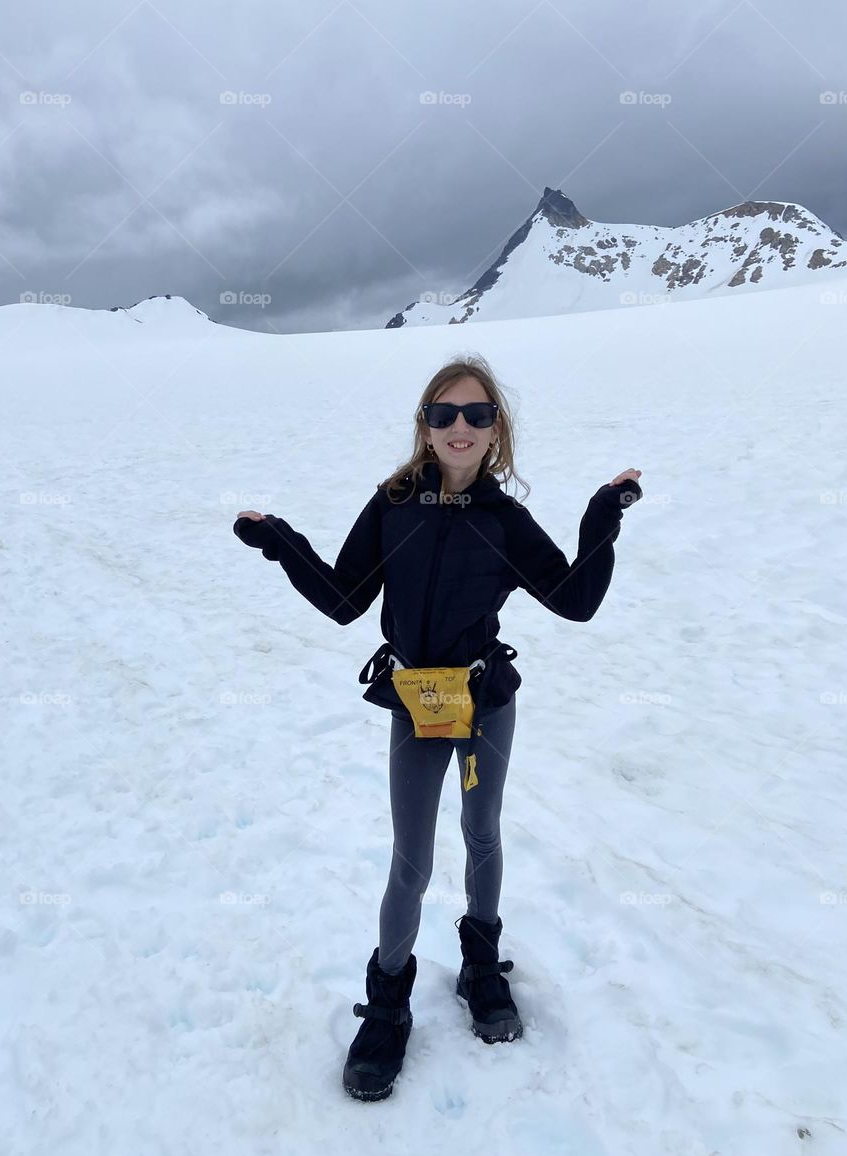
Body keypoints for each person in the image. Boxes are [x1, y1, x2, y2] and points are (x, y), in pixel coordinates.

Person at [234, 354, 642, 1102]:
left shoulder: (504, 521)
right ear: (424, 426)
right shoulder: (393, 506)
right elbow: (344, 598)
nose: (460, 426)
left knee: (482, 833)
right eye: (444, 413)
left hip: (484, 705)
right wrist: (281, 541)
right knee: (411, 861)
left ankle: (481, 967)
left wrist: (601, 517)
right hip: (417, 706)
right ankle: (388, 1003)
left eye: (477, 415)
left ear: (496, 430)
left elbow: (574, 599)